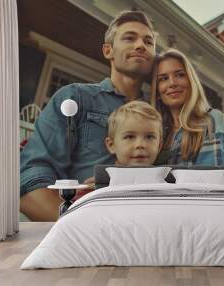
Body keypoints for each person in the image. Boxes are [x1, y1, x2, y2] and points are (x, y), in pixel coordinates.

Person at [20, 10, 157, 221]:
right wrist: (81, 228)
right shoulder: (75, 98)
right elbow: (30, 182)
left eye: (148, 42)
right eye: (130, 38)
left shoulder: (158, 115)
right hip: (83, 228)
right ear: (108, 50)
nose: (141, 45)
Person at [150, 49, 224, 166]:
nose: (172, 83)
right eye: (163, 78)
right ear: (157, 90)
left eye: (180, 75)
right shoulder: (157, 130)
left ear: (191, 81)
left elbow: (211, 179)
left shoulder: (210, 120)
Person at [73, 101, 163, 201]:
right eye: (130, 137)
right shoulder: (94, 190)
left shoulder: (171, 187)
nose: (140, 145)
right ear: (111, 145)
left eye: (149, 137)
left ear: (159, 145)